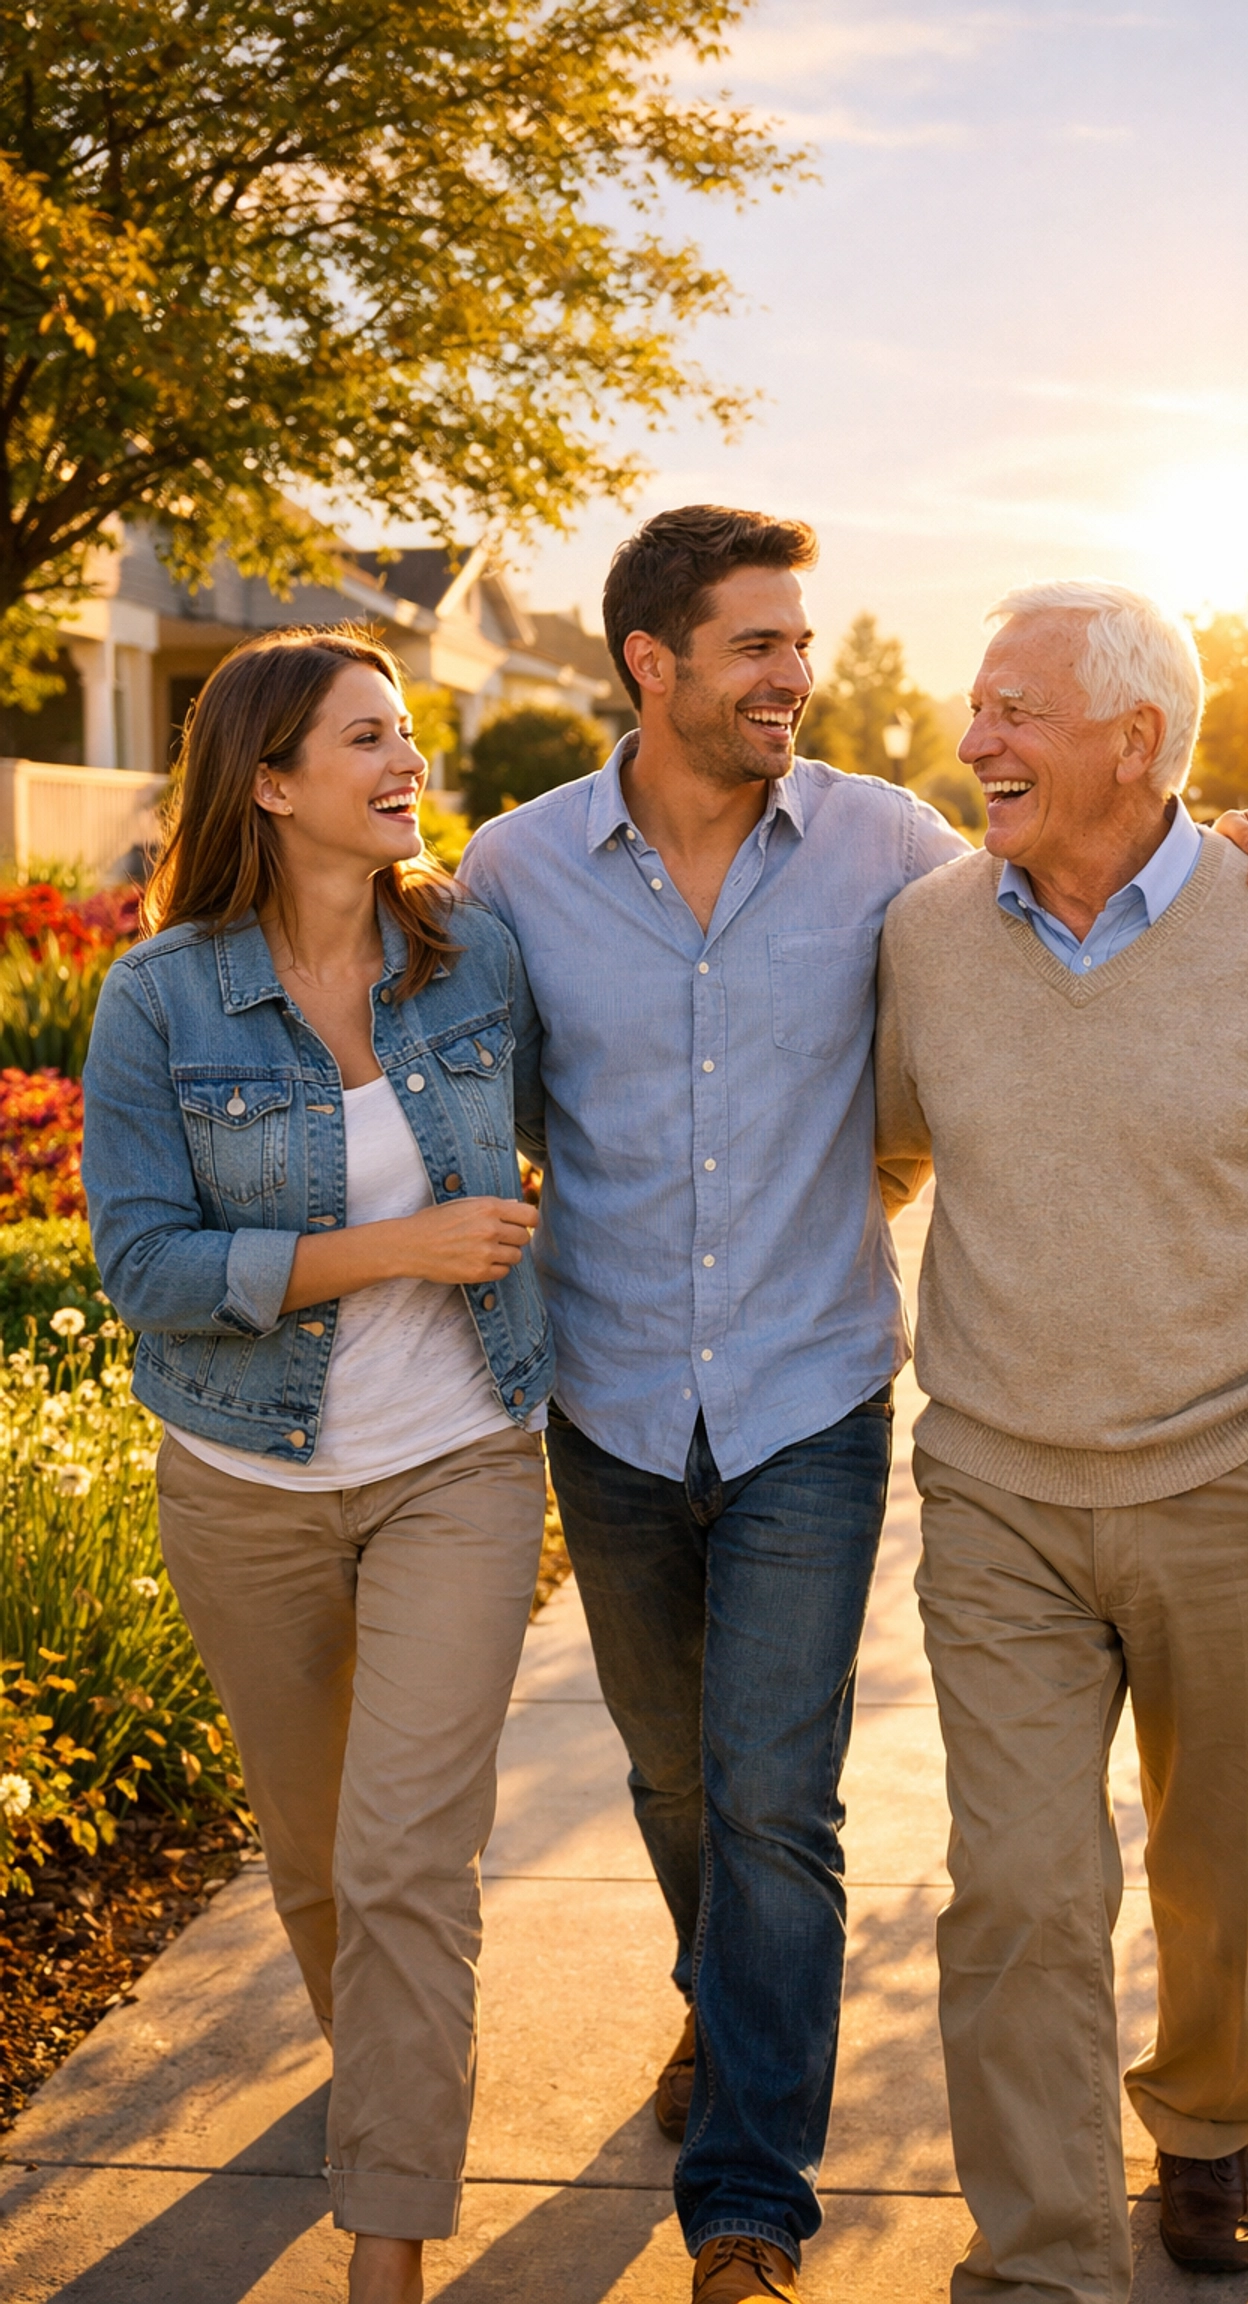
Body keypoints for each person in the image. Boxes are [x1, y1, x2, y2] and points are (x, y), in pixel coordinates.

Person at [458, 510, 1248, 2303]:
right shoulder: (512, 873)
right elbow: (473, 1084)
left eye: (804, 642)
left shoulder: (888, 850)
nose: (801, 674)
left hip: (810, 1394)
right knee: (675, 1776)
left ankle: (754, 2202)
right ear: (651, 663)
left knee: (779, 1795)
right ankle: (733, 2002)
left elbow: (1097, 850)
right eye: (761, 646)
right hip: (616, 1394)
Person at [874, 579, 1248, 2303]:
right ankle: (1041, 2263)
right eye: (975, 708)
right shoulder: (926, 934)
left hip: (1235, 1495)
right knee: (1021, 1895)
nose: (973, 742)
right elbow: (887, 1158)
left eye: (1013, 710)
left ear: (1138, 739)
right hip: (999, 1498)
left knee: (1234, 1878)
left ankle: (1205, 2129)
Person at [82, 627, 552, 2304]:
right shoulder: (160, 995)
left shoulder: (477, 959)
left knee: (407, 1859)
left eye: (409, 729)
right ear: (272, 784)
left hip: (460, 1464)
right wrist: (395, 1245)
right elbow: (140, 1263)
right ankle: (390, 2100)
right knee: (313, 1862)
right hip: (242, 1479)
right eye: (369, 739)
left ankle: (387, 2249)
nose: (407, 759)